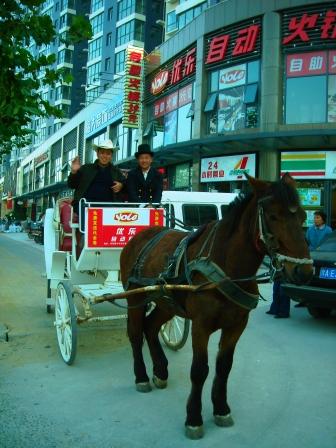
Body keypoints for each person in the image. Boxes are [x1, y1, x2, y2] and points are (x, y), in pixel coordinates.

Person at [67, 139, 125, 215]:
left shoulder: (116, 171)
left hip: (109, 206)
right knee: (87, 220)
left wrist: (121, 185)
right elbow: (71, 185)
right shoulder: (85, 168)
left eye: (108, 154)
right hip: (86, 204)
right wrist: (74, 172)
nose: (105, 156)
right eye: (102, 153)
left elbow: (126, 185)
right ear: (97, 154)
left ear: (111, 156)